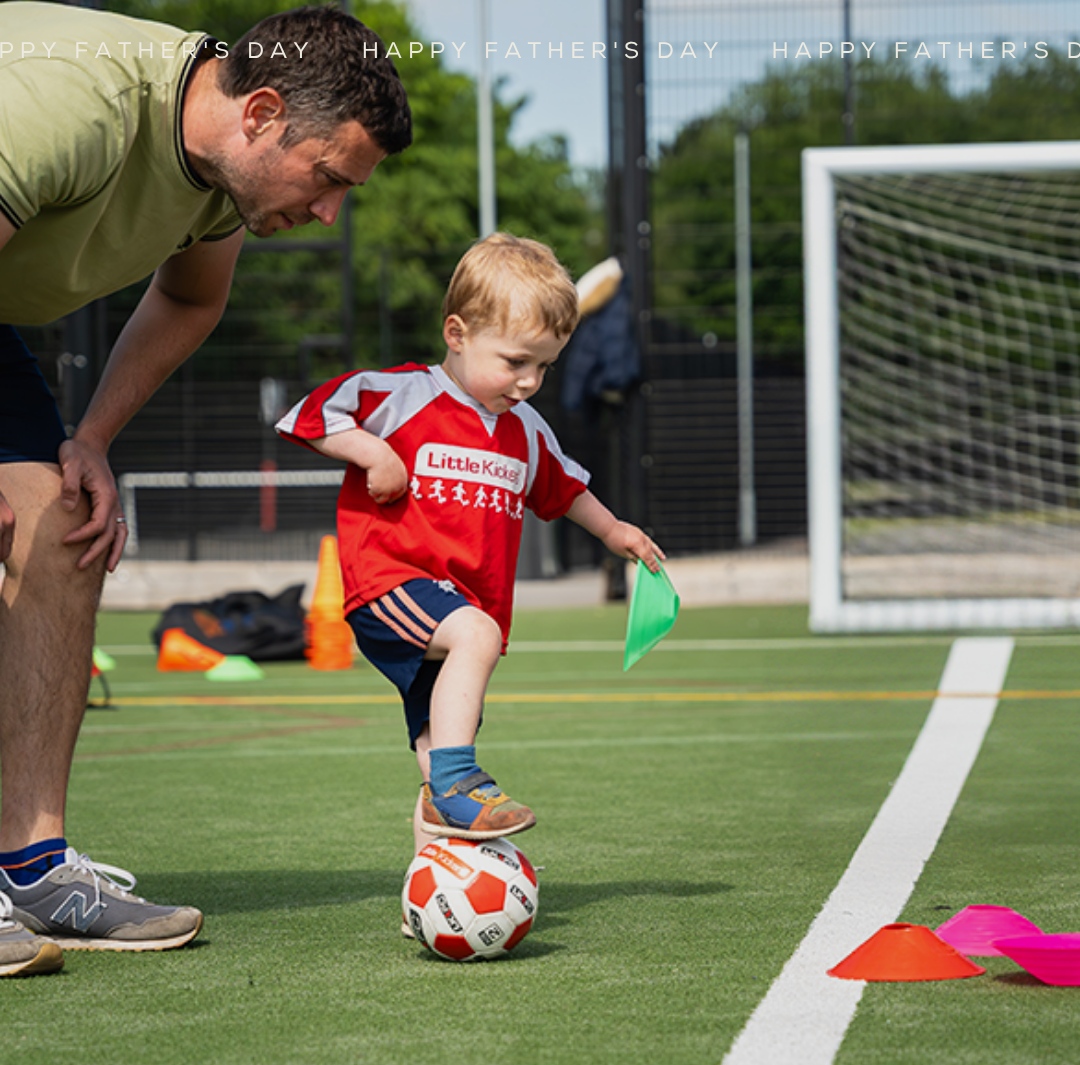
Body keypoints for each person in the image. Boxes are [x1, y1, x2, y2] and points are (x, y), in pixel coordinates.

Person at [0, 3, 412, 976]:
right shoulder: (70, 100)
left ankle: (33, 864)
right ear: (262, 112)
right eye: (329, 180)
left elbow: (191, 296)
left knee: (64, 520)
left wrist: (91, 437)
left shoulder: (218, 182)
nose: (327, 212)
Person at [276, 234, 664, 866]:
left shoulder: (526, 428)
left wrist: (616, 531)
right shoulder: (399, 395)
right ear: (457, 333)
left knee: (438, 745)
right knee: (475, 648)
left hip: (459, 612)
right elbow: (308, 415)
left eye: (544, 366)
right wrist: (373, 451)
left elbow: (564, 490)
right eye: (514, 362)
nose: (530, 381)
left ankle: (430, 881)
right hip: (391, 583)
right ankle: (458, 782)